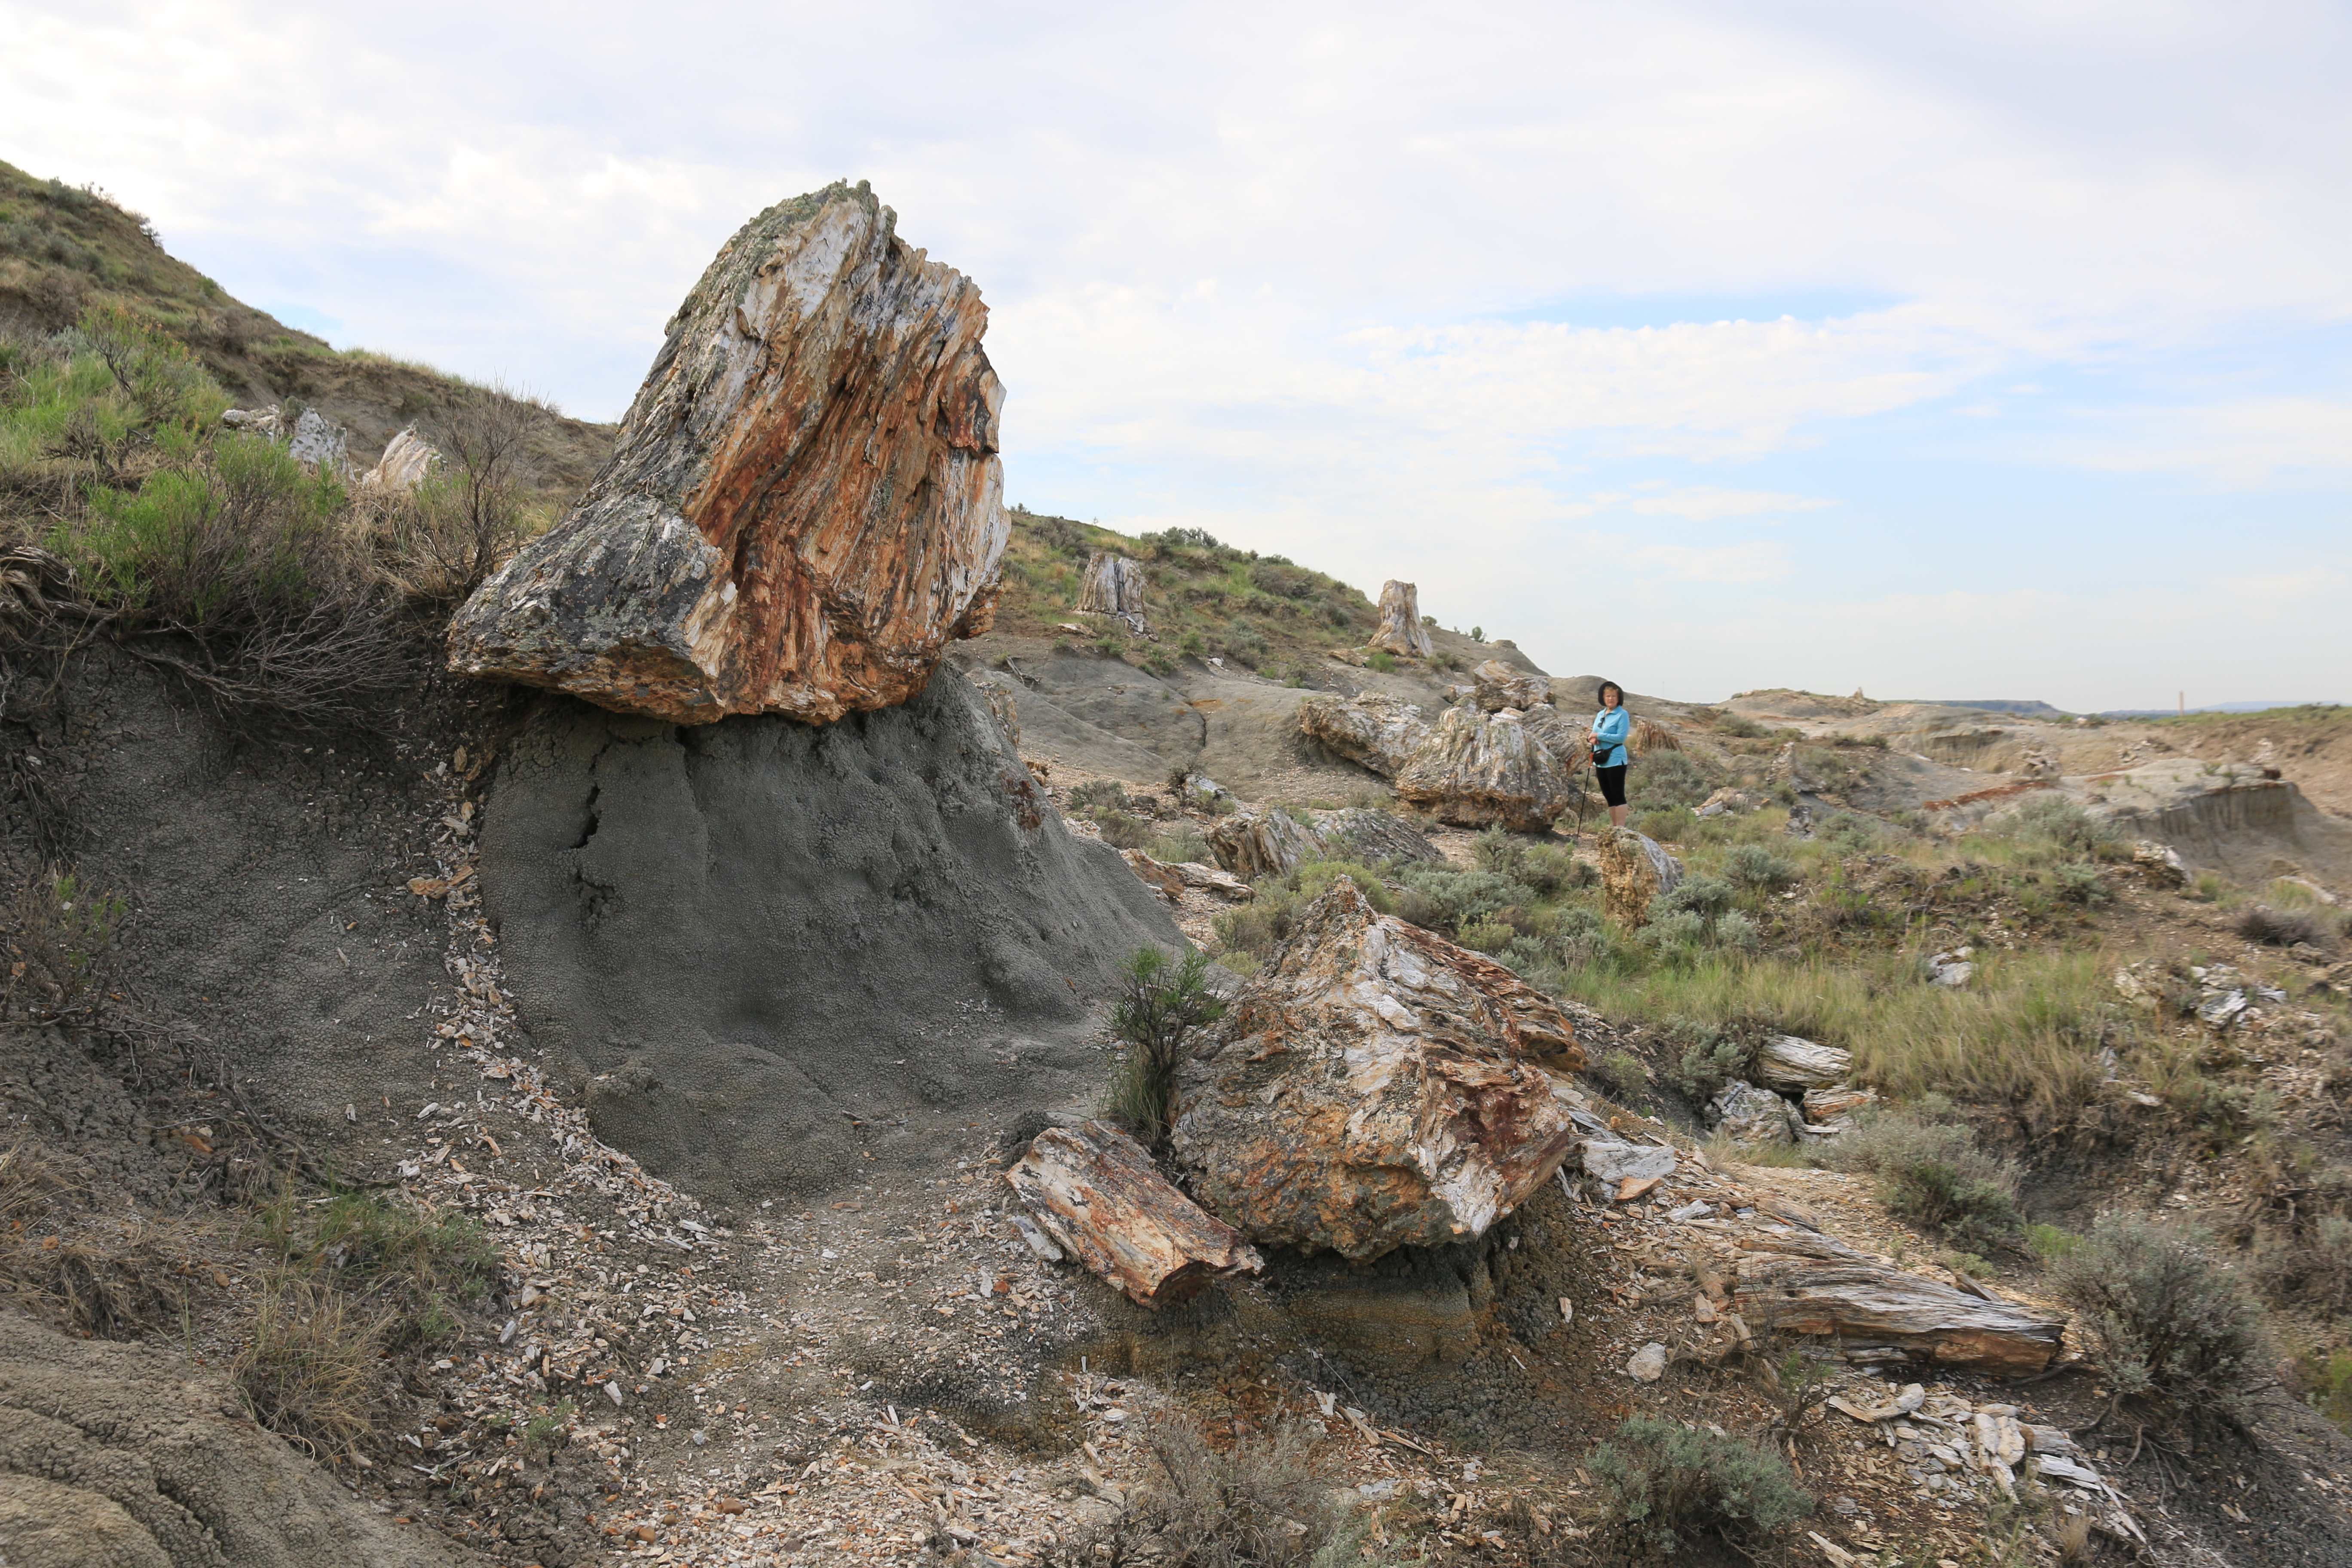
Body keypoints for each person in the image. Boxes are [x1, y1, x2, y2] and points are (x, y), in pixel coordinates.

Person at [1590, 680, 1632, 828]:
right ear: (1603, 698)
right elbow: (1594, 731)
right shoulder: (1601, 714)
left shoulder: (1622, 715)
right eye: (1608, 696)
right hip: (1600, 759)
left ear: (1619, 698)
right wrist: (1592, 737)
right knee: (1608, 795)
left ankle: (1621, 828)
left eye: (1614, 696)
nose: (1611, 699)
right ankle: (1614, 827)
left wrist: (1599, 736)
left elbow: (1621, 737)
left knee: (1618, 794)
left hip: (1615, 759)